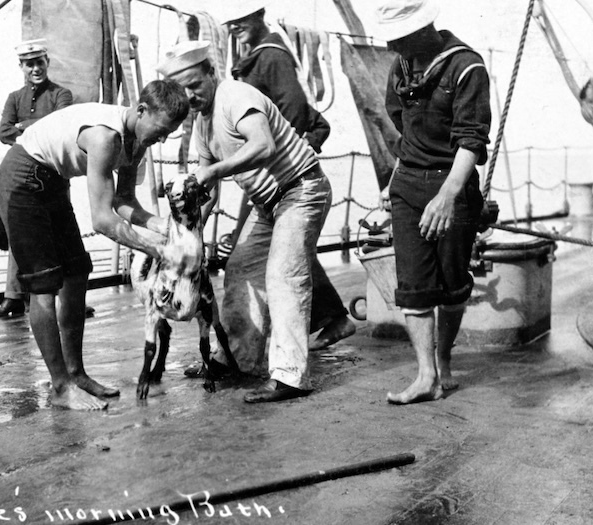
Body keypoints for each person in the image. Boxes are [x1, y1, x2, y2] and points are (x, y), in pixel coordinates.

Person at [0, 80, 190, 410]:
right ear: (141, 111)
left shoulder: (138, 141)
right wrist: (155, 250)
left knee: (76, 273)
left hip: (52, 180)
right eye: (161, 130)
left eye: (169, 133)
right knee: (43, 285)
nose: (163, 139)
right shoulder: (104, 137)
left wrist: (163, 228)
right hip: (20, 178)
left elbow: (124, 201)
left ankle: (76, 374)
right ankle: (59, 387)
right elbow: (101, 220)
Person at [160, 40, 333, 403]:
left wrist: (215, 171)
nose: (191, 95)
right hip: (267, 203)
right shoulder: (202, 126)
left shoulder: (236, 96)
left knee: (283, 276)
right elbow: (208, 192)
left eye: (196, 84)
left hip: (302, 188)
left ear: (211, 72)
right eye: (183, 90)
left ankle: (290, 377)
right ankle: (236, 359)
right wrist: (186, 238)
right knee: (239, 268)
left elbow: (263, 145)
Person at [219, 1, 355, 354]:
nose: (235, 27)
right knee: (285, 248)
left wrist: (280, 164)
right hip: (266, 171)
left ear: (259, 16)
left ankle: (323, 323)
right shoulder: (255, 57)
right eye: (231, 22)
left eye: (242, 19)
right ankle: (333, 317)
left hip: (278, 171)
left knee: (272, 252)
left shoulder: (271, 57)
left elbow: (293, 107)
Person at [376, 0, 490, 404]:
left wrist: (446, 196)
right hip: (407, 185)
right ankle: (426, 376)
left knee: (453, 284)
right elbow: (400, 122)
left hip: (452, 187)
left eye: (400, 39)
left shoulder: (466, 67)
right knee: (412, 286)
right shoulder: (401, 67)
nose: (394, 48)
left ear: (424, 29)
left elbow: (471, 139)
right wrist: (397, 178)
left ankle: (443, 359)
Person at [0, 39, 74, 319]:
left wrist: (22, 127)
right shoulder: (15, 98)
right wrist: (38, 126)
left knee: (60, 232)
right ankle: (13, 296)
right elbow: (3, 132)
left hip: (53, 174)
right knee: (19, 233)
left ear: (47, 63)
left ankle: (69, 297)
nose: (35, 69)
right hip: (23, 176)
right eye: (29, 64)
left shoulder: (62, 95)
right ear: (21, 67)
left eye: (39, 62)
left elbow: (60, 125)